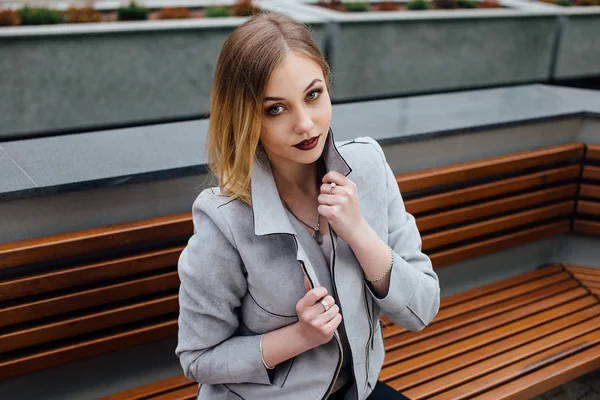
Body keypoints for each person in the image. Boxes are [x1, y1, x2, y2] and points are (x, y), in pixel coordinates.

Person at [175, 12, 440, 400]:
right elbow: (198, 359)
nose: (305, 123)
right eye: (275, 109)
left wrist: (360, 234)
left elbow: (421, 309)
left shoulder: (367, 166)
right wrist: (299, 337)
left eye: (313, 95)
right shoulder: (224, 218)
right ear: (245, 117)